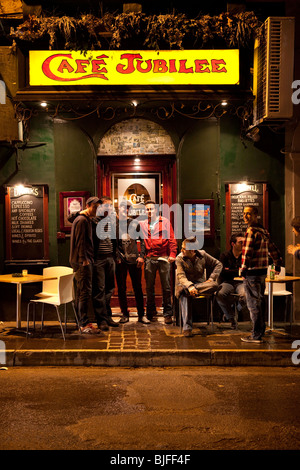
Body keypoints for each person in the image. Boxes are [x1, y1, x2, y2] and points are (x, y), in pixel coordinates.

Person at [240, 205, 282, 343]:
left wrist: (244, 269)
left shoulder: (251, 231)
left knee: (253, 304)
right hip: (263, 272)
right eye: (245, 214)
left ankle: (256, 335)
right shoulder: (263, 231)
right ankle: (260, 331)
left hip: (252, 272)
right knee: (259, 302)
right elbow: (273, 248)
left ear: (256, 215)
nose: (246, 216)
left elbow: (247, 252)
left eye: (249, 214)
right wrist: (277, 262)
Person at [175, 236, 222, 337]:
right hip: (186, 284)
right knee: (185, 295)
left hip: (200, 285)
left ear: (192, 250)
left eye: (184, 248)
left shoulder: (203, 255)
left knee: (215, 285)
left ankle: (187, 290)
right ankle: (187, 327)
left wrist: (212, 277)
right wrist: (190, 286)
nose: (181, 250)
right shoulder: (179, 258)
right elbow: (181, 276)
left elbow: (218, 264)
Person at [139, 200, 177, 324]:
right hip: (149, 258)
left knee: (166, 287)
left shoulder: (165, 222)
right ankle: (150, 312)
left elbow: (171, 239)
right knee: (149, 287)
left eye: (151, 209)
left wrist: (172, 254)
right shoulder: (143, 223)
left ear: (157, 210)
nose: (149, 211)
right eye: (147, 209)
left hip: (163, 258)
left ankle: (167, 313)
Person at [69, 196, 102, 334]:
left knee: (81, 291)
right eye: (95, 206)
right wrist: (84, 259)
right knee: (84, 292)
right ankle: (83, 324)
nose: (97, 209)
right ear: (88, 205)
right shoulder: (82, 220)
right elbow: (80, 241)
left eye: (98, 207)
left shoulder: (85, 219)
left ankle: (80, 321)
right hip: (83, 261)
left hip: (82, 260)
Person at [116, 200, 150, 324]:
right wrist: (117, 257)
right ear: (119, 209)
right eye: (123, 208)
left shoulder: (135, 223)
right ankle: (124, 314)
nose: (125, 210)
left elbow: (143, 240)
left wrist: (142, 256)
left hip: (135, 260)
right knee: (121, 288)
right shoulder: (115, 224)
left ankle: (141, 315)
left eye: (128, 208)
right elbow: (113, 244)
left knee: (138, 288)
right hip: (121, 261)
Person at [93, 196, 119, 330]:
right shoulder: (94, 220)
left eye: (111, 206)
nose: (109, 208)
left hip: (110, 258)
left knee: (110, 289)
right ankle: (101, 320)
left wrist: (116, 255)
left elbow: (115, 240)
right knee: (100, 289)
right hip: (99, 259)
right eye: (106, 206)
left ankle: (108, 316)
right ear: (100, 207)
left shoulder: (112, 221)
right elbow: (71, 218)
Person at [216, 233, 246, 329]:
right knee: (219, 294)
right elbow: (222, 272)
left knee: (246, 295)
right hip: (227, 282)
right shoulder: (225, 255)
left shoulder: (245, 256)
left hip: (241, 283)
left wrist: (231, 271)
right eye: (241, 242)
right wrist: (238, 271)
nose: (243, 244)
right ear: (233, 244)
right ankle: (231, 318)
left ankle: (232, 312)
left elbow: (246, 271)